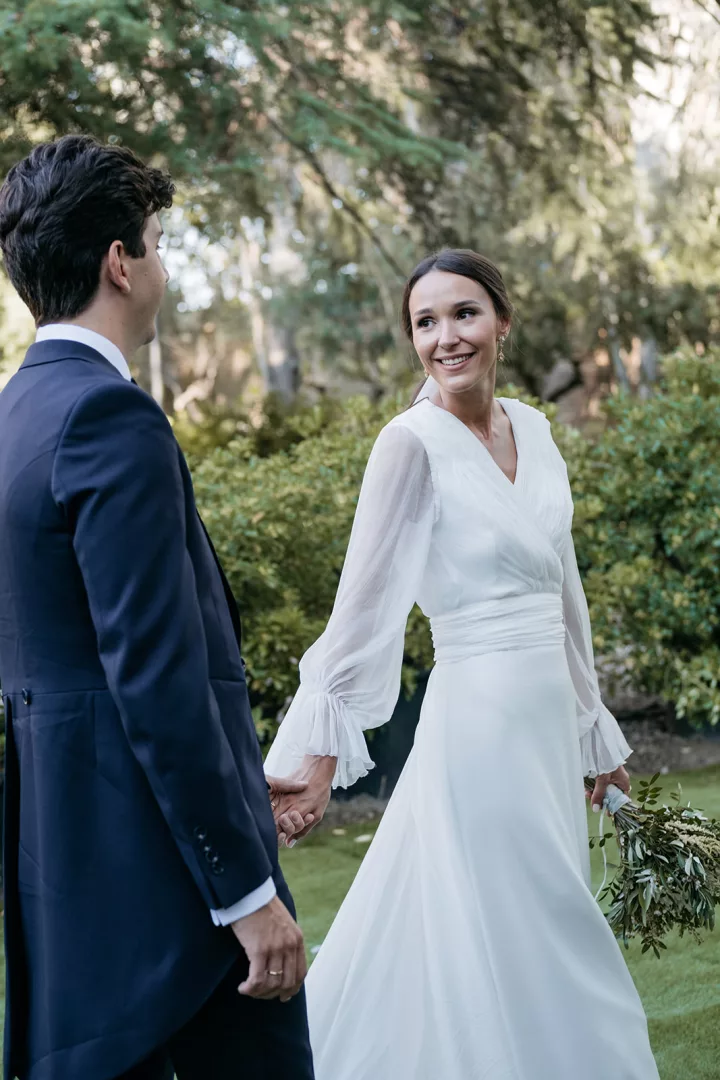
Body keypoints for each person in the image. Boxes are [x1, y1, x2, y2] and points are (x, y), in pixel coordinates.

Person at [264, 249, 660, 1079]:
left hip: (547, 724)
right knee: (536, 914)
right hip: (474, 724)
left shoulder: (538, 429)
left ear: (502, 322)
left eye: (464, 314)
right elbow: (360, 610)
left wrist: (596, 736)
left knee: (533, 913)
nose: (446, 336)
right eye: (426, 322)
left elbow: (565, 592)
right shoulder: (408, 445)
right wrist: (317, 757)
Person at [0, 135, 315, 1080]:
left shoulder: (15, 416)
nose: (164, 266)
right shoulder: (108, 415)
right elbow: (155, 677)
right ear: (120, 263)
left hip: (60, 862)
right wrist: (245, 891)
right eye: (159, 242)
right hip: (166, 889)